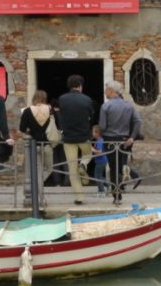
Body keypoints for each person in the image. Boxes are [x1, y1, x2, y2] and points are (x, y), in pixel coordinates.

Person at [99, 80, 142, 206]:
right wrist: (132, 137)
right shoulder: (128, 105)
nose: (105, 92)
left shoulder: (105, 106)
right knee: (121, 165)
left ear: (112, 91)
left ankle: (117, 195)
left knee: (113, 167)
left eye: (106, 89)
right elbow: (138, 121)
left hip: (110, 140)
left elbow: (102, 126)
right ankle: (120, 187)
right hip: (124, 141)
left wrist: (100, 132)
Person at [58, 75, 94, 205]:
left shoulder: (62, 99)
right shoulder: (87, 99)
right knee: (88, 154)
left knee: (72, 168)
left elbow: (59, 116)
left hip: (68, 138)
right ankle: (84, 164)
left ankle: (79, 198)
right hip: (84, 136)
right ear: (80, 86)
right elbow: (91, 117)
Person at [19, 89, 54, 197]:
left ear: (34, 98)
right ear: (45, 98)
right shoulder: (50, 110)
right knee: (49, 169)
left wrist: (29, 130)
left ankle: (37, 192)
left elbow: (22, 128)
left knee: (38, 170)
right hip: (47, 144)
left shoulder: (27, 111)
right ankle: (40, 194)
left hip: (34, 144)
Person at [91, 125, 108, 196]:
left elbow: (100, 151)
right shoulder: (101, 140)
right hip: (102, 161)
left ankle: (101, 191)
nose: (92, 133)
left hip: (101, 161)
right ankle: (108, 185)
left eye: (93, 132)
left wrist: (92, 149)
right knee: (99, 175)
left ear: (97, 133)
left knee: (97, 176)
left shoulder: (99, 141)